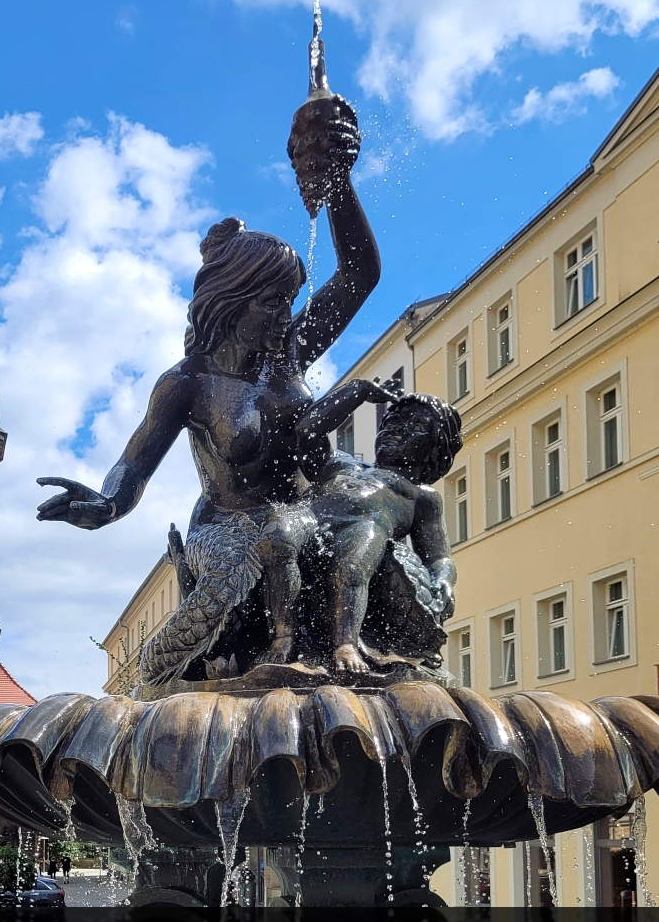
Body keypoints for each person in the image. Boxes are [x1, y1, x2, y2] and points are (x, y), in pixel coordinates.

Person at [38, 96, 397, 686]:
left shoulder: (288, 351)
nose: (288, 314)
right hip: (224, 530)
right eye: (273, 301)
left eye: (290, 299)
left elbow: (360, 273)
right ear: (231, 304)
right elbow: (132, 467)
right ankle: (155, 678)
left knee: (376, 534)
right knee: (233, 568)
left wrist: (339, 183)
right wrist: (103, 506)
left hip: (300, 521)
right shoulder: (188, 385)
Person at [258, 386, 463, 672]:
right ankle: (283, 635)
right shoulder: (341, 463)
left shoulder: (421, 495)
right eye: (393, 420)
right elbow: (308, 430)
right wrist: (359, 391)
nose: (397, 428)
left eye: (415, 425)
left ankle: (346, 642)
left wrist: (444, 579)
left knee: (353, 565)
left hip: (365, 528)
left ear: (435, 446)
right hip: (309, 517)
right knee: (277, 534)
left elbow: (438, 556)